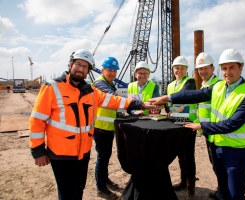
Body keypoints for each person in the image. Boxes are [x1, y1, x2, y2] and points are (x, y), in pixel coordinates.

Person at [28, 49, 156, 200]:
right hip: (61, 154)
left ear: (89, 71)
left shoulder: (91, 92)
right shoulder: (52, 87)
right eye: (78, 64)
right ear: (70, 64)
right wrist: (38, 151)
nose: (81, 69)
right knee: (68, 193)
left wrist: (140, 104)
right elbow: (37, 120)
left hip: (83, 152)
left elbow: (115, 100)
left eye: (85, 67)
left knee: (79, 190)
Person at [148, 49, 245, 200]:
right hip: (216, 144)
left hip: (236, 150)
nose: (228, 72)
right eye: (225, 68)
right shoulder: (219, 87)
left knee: (235, 192)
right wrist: (168, 98)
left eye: (232, 67)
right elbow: (194, 95)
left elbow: (233, 124)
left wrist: (201, 126)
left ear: (241, 67)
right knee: (223, 186)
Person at [166, 56, 197, 197]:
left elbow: (183, 95)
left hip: (188, 124)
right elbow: (168, 103)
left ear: (186, 70)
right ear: (173, 69)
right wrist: (168, 112)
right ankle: (183, 181)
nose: (179, 70)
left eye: (182, 68)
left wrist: (169, 103)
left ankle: (191, 189)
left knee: (189, 155)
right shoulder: (170, 85)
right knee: (180, 154)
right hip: (176, 124)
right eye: (176, 68)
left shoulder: (190, 82)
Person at [91, 56, 121, 199]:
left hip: (108, 127)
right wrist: (132, 104)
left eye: (114, 71)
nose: (112, 73)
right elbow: (112, 97)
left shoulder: (110, 84)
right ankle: (100, 188)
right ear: (102, 70)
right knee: (102, 158)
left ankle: (105, 180)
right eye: (109, 70)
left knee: (106, 156)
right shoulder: (100, 84)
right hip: (100, 127)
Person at [194, 52, 222, 200]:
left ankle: (223, 192)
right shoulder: (205, 85)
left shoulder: (218, 85)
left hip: (216, 131)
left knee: (219, 163)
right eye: (200, 69)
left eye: (205, 68)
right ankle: (222, 189)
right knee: (214, 162)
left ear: (213, 68)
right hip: (208, 131)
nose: (203, 71)